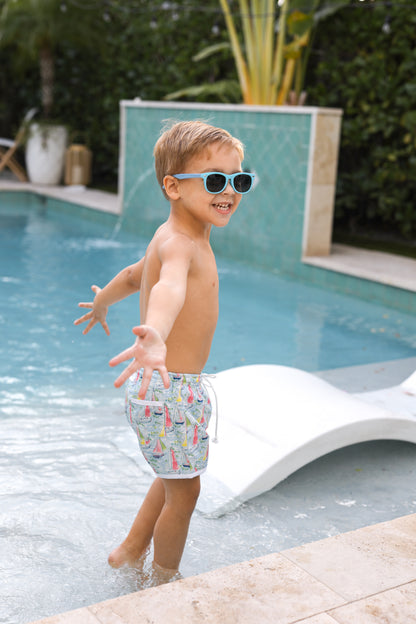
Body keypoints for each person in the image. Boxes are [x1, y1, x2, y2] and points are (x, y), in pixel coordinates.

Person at [74, 120, 255, 581]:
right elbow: (166, 289)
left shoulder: (172, 235)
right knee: (186, 493)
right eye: (216, 180)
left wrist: (101, 301)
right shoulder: (180, 245)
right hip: (170, 387)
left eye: (239, 179)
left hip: (163, 386)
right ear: (173, 186)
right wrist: (154, 332)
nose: (229, 190)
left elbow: (136, 275)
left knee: (173, 473)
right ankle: (164, 578)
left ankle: (129, 551)